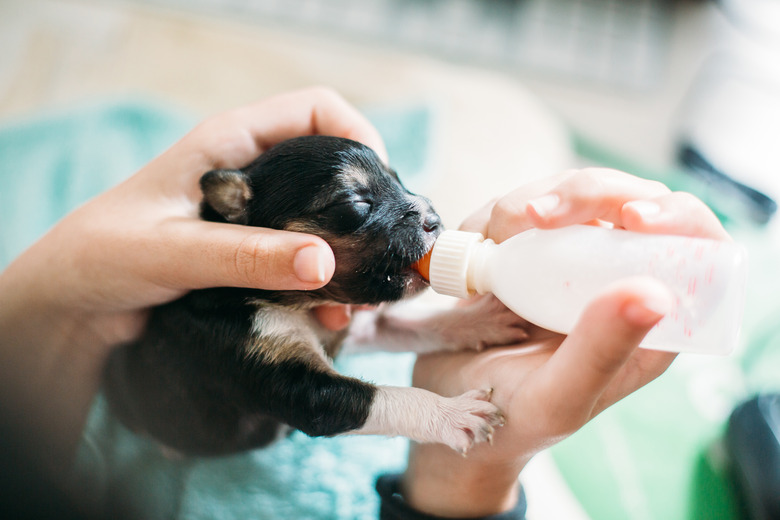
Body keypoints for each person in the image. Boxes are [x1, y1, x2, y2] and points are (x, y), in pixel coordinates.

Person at [0, 87, 731, 519]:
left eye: (395, 184)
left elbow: (353, 338)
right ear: (240, 214)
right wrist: (444, 422)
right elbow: (323, 400)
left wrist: (457, 328)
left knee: (493, 112)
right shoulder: (230, 327)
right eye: (354, 206)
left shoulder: (299, 305)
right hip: (193, 430)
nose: (421, 215)